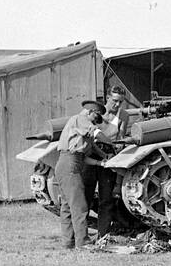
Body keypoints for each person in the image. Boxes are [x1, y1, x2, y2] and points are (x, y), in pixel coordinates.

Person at [55, 99, 117, 249]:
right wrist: (113, 143)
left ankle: (68, 242)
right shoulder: (80, 119)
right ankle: (83, 242)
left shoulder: (80, 129)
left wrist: (102, 160)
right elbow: (96, 133)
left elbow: (86, 153)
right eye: (96, 117)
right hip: (69, 165)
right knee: (80, 206)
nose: (96, 121)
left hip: (70, 163)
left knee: (67, 207)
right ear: (90, 112)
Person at [83, 86, 132, 241]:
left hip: (109, 157)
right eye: (115, 100)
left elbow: (120, 139)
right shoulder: (96, 112)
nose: (117, 105)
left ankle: (102, 235)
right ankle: (81, 235)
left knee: (106, 198)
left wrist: (117, 151)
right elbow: (91, 133)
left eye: (120, 102)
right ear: (107, 97)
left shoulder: (123, 115)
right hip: (91, 153)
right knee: (86, 195)